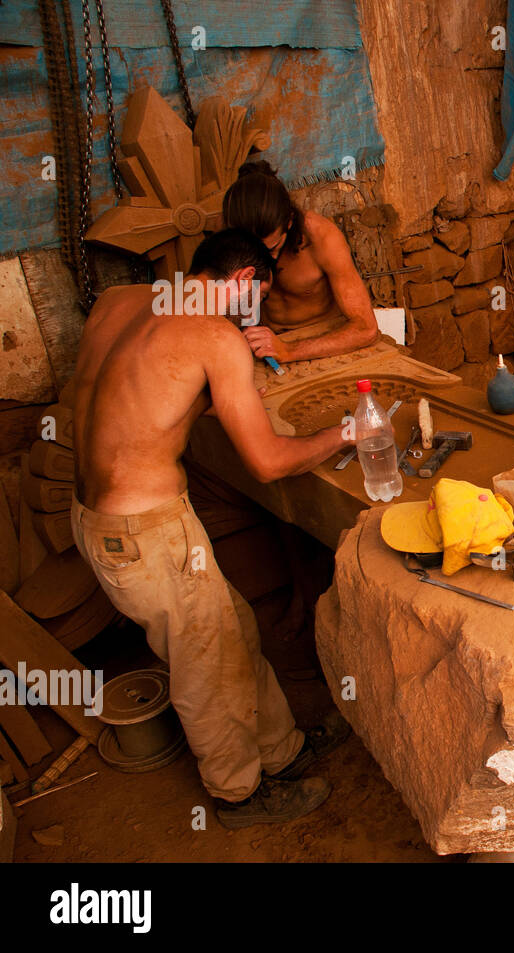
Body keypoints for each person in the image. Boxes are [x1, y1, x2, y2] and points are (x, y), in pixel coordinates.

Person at [69, 229, 353, 829]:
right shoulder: (215, 336)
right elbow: (269, 462)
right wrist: (344, 434)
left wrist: (216, 392)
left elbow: (136, 393)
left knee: (231, 630)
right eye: (255, 298)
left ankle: (282, 750)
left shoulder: (118, 302)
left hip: (97, 520)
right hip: (147, 531)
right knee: (206, 664)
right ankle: (238, 796)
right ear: (245, 280)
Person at [222, 160, 380, 363]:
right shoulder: (224, 240)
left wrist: (288, 351)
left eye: (271, 249)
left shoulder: (321, 237)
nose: (262, 261)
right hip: (265, 346)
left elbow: (366, 329)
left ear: (288, 221)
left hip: (325, 342)